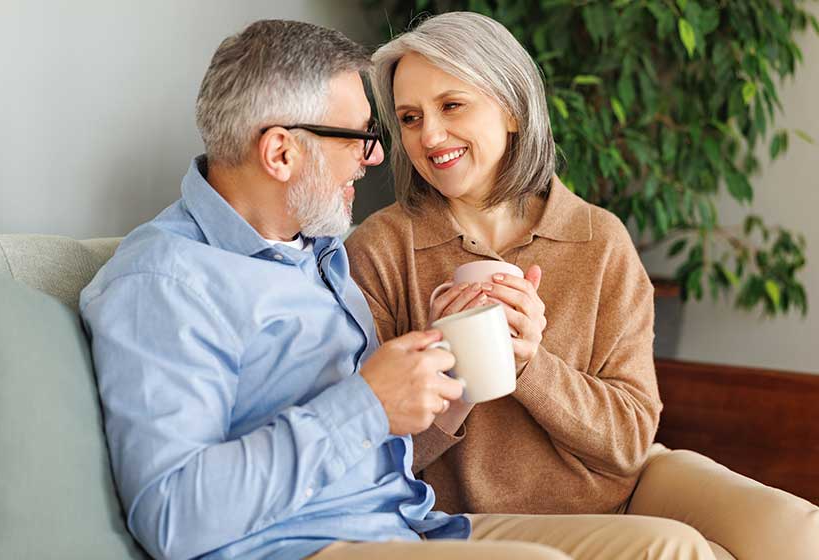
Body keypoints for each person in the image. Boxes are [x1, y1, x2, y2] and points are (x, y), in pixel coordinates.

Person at [79, 18, 589, 560]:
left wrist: (451, 359)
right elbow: (173, 517)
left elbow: (372, 442)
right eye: (361, 136)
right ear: (280, 153)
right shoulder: (165, 282)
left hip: (406, 524)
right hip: (305, 547)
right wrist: (366, 403)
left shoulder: (319, 252)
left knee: (666, 545)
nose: (374, 159)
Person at [345, 11, 715, 560]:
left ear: (514, 110)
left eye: (451, 106)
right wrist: (453, 369)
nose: (431, 135)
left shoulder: (599, 241)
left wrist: (530, 366)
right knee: (674, 548)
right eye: (410, 117)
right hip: (458, 526)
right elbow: (363, 456)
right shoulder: (378, 250)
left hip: (604, 516)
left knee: (796, 529)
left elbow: (631, 439)